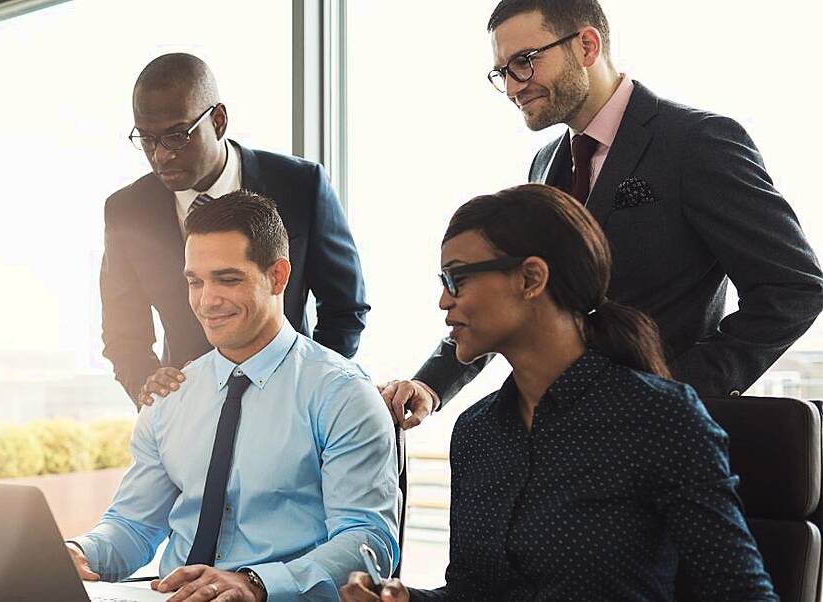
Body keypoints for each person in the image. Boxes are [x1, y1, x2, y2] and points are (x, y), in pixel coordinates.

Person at [382, 0, 823, 428]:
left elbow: (794, 288)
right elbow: (517, 298)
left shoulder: (696, 143)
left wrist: (674, 389)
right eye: (503, 72)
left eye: (525, 61)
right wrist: (431, 384)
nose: (514, 85)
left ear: (587, 46)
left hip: (660, 442)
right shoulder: (544, 165)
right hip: (561, 432)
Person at [340, 184, 776, 601]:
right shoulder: (477, 433)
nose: (442, 302)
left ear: (531, 278)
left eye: (456, 280)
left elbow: (741, 593)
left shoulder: (658, 418)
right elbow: (471, 594)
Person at [70, 191, 399, 601]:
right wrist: (79, 551)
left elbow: (368, 542)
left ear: (278, 276)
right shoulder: (172, 394)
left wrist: (256, 583)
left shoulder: (343, 395)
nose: (207, 300)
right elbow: (134, 525)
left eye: (227, 279)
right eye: (195, 281)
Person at [101, 52, 369, 408]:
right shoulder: (126, 211)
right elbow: (122, 333)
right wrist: (151, 389)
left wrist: (311, 387)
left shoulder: (301, 185)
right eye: (147, 140)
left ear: (218, 120)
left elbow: (344, 307)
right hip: (187, 410)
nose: (160, 156)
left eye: (176, 136)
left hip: (292, 404)